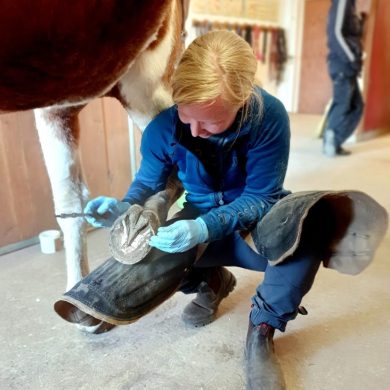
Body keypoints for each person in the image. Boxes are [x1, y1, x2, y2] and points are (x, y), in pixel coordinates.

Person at [56, 30, 387, 389]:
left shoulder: (269, 117)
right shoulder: (162, 129)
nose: (196, 131)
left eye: (212, 121)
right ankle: (213, 281)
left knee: (306, 234)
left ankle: (262, 331)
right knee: (152, 253)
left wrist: (203, 229)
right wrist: (123, 210)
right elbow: (147, 187)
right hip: (199, 220)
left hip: (255, 220)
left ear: (243, 98)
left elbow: (261, 197)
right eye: (187, 116)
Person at [323, 0, 365, 157]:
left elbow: (348, 34)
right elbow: (336, 34)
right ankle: (331, 142)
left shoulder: (350, 6)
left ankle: (333, 140)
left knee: (356, 105)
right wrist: (352, 58)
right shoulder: (342, 2)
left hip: (348, 64)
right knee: (343, 104)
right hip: (342, 63)